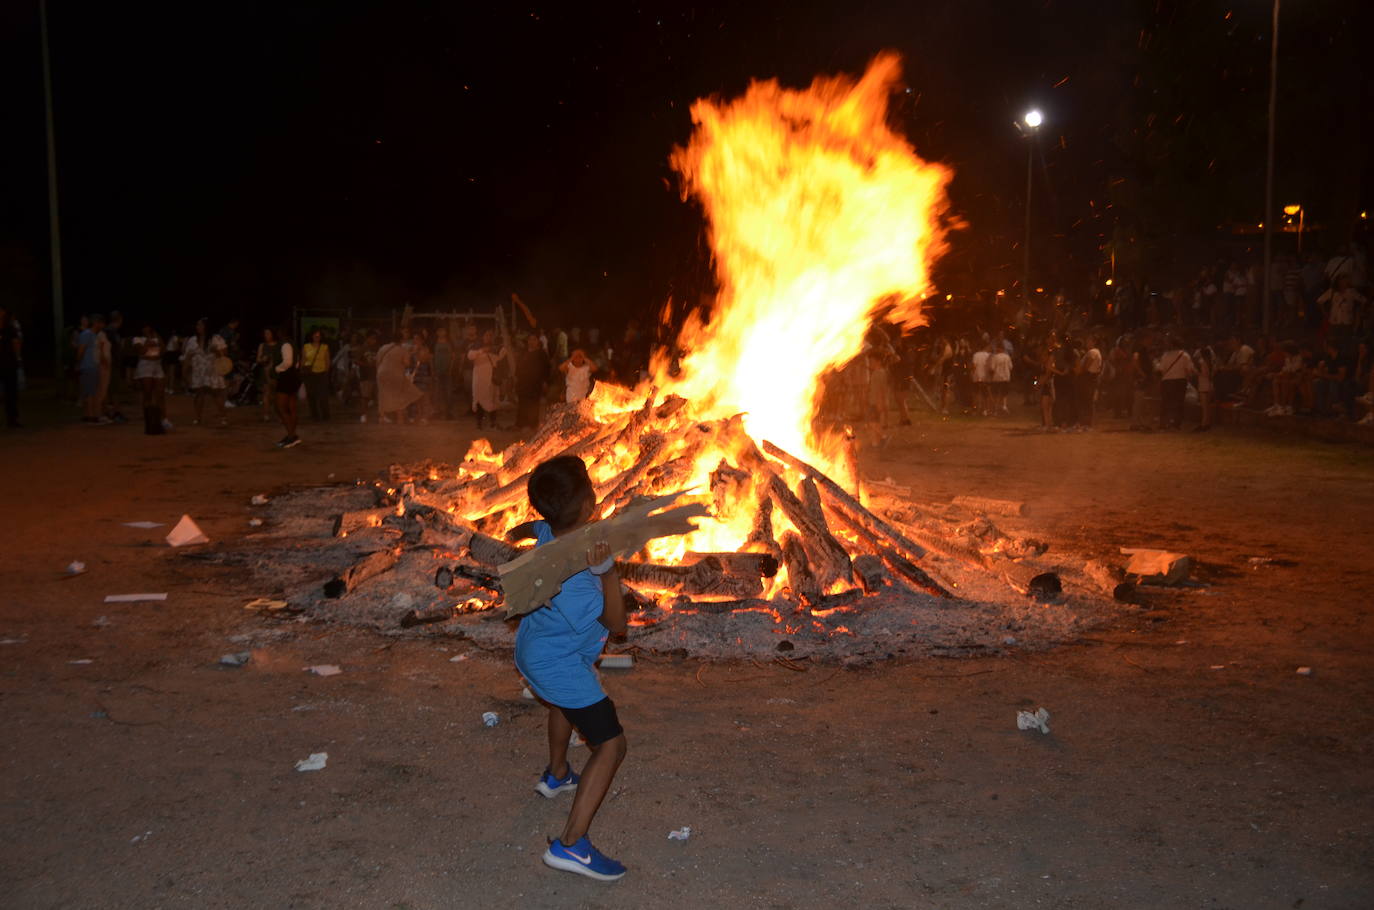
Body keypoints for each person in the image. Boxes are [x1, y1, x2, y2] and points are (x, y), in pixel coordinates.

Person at [512, 456, 629, 882]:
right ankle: (571, 845)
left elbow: (530, 529)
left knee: (563, 703)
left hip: (537, 650)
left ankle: (557, 774)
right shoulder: (580, 583)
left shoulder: (549, 532)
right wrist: (608, 573)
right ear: (589, 504)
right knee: (612, 746)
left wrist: (517, 532)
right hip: (557, 662)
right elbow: (617, 626)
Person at [181, 317, 228, 427]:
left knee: (216, 394)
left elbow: (225, 354)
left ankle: (223, 417)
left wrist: (216, 351)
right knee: (199, 394)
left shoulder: (216, 338)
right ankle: (198, 418)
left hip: (212, 371)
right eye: (197, 325)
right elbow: (187, 358)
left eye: (200, 325)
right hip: (198, 372)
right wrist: (185, 372)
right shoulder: (192, 340)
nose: (198, 327)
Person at [375, 330, 422, 424]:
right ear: (402, 339)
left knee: (383, 395)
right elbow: (407, 363)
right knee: (398, 396)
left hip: (381, 373)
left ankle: (382, 417)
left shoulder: (384, 347)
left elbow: (377, 360)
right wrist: (410, 354)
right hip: (395, 374)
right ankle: (399, 419)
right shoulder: (402, 350)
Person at [133, 324, 169, 435]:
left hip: (157, 366)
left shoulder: (157, 337)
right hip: (145, 367)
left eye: (148, 327)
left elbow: (163, 351)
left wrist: (156, 339)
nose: (146, 329)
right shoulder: (138, 339)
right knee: (147, 393)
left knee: (160, 393)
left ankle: (163, 418)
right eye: (144, 327)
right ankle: (148, 418)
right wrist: (149, 342)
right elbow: (141, 351)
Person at [469, 329, 507, 429]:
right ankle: (479, 423)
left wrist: (506, 345)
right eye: (486, 335)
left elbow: (501, 357)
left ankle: (493, 423)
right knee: (480, 401)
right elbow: (470, 356)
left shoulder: (496, 348)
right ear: (483, 336)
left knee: (493, 401)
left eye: (490, 335)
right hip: (480, 380)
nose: (488, 337)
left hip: (491, 380)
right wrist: (481, 351)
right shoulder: (476, 347)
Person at [1155, 336, 1195, 430]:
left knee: (1166, 402)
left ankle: (1163, 423)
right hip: (1180, 381)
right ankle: (1175, 424)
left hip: (1167, 381)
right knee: (1178, 403)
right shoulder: (1185, 355)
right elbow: (1189, 369)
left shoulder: (1165, 355)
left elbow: (1161, 369)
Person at [272, 328, 302, 447]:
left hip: (286, 377)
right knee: (291, 408)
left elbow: (288, 362)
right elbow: (296, 362)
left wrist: (276, 369)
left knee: (281, 408)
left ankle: (291, 436)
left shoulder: (285, 344)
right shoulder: (292, 344)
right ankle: (292, 435)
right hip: (293, 375)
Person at [515, 333, 550, 429]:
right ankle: (521, 423)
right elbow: (518, 366)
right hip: (523, 383)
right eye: (530, 339)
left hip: (536, 383)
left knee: (534, 404)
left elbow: (547, 368)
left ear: (538, 341)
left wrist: (545, 381)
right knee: (522, 403)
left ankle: (533, 424)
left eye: (534, 339)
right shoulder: (523, 352)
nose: (531, 342)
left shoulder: (542, 354)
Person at [301, 327, 332, 421]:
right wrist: (301, 370)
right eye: (315, 335)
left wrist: (326, 372)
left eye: (318, 335)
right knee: (311, 395)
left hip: (321, 373)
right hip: (309, 374)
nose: (317, 337)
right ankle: (314, 415)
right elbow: (303, 359)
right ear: (311, 336)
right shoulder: (306, 346)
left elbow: (327, 361)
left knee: (323, 395)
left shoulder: (324, 347)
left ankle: (325, 415)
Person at [0, 306, 22, 428]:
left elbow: (16, 343)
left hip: (9, 364)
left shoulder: (10, 328)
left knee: (11, 393)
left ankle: (12, 419)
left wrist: (17, 358)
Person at [256, 328, 280, 422]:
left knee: (276, 394)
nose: (266, 335)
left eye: (268, 333)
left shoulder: (279, 345)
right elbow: (258, 359)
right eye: (265, 334)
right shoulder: (262, 345)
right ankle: (266, 414)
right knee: (266, 393)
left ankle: (277, 414)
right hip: (265, 372)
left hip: (277, 372)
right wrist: (263, 359)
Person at [432, 326, 455, 419]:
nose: (441, 332)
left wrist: (451, 369)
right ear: (437, 332)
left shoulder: (450, 343)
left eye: (443, 330)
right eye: (439, 330)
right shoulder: (434, 343)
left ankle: (448, 412)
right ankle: (437, 412)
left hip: (447, 372)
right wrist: (433, 369)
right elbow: (431, 357)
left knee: (448, 393)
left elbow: (453, 357)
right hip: (437, 371)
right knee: (437, 392)